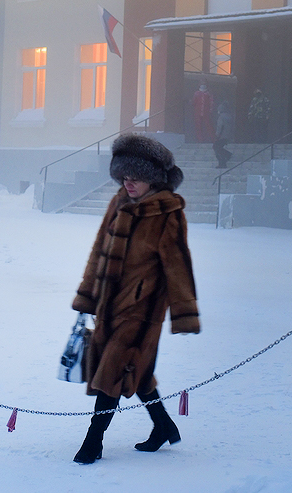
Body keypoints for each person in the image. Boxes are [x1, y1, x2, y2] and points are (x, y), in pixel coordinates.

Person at [71, 134, 200, 464]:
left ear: (153, 178)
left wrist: (184, 313)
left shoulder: (167, 213)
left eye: (136, 178)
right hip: (108, 305)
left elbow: (178, 265)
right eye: (123, 177)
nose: (128, 184)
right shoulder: (119, 202)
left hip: (142, 311)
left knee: (111, 373)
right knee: (137, 372)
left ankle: (93, 442)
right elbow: (99, 249)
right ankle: (164, 426)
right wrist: (88, 295)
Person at [213, 101, 233, 168]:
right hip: (227, 136)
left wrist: (217, 135)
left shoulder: (221, 117)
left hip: (222, 136)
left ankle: (223, 162)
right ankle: (227, 155)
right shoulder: (229, 116)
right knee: (218, 147)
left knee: (216, 147)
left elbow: (220, 127)